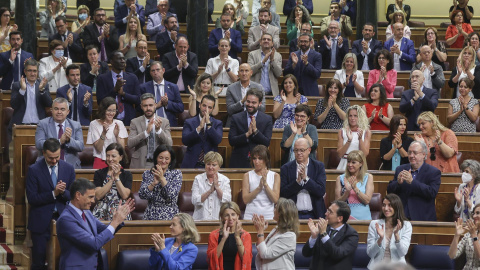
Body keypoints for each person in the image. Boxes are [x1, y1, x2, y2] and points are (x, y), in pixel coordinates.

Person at [57, 178, 134, 269]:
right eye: (90, 197)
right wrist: (115, 222)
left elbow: (104, 230)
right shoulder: (66, 219)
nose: (93, 201)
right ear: (78, 195)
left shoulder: (87, 212)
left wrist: (118, 219)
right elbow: (94, 244)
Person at [26, 138, 75, 270]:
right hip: (40, 221)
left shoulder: (68, 169)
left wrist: (63, 192)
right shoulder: (34, 170)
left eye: (57, 157)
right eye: (50, 158)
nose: (54, 161)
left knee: (63, 259)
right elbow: (32, 198)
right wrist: (54, 194)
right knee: (38, 262)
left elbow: (73, 197)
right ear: (43, 153)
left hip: (63, 220)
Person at [387, 141, 441, 221]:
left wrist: (412, 182)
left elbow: (431, 192)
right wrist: (398, 183)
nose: (411, 156)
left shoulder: (433, 172)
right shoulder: (400, 169)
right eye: (409, 152)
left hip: (422, 218)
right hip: (401, 218)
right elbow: (389, 191)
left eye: (415, 153)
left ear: (424, 154)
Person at [302, 201, 359, 270]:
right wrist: (314, 237)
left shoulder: (351, 234)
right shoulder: (323, 228)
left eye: (330, 212)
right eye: (327, 210)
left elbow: (337, 254)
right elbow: (305, 253)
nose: (326, 213)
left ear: (340, 218)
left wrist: (324, 234)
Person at [280, 138, 326, 219]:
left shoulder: (318, 166)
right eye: (296, 150)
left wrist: (306, 179)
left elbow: (321, 191)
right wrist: (297, 182)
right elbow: (283, 193)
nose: (298, 153)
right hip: (293, 215)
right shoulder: (286, 168)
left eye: (302, 150)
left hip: (314, 214)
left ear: (309, 150)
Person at [35, 98, 84, 169]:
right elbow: (39, 144)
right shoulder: (42, 124)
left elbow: (81, 146)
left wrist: (69, 140)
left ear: (68, 112)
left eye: (62, 109)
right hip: (46, 165)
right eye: (56, 109)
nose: (59, 112)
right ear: (51, 110)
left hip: (70, 166)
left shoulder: (76, 125)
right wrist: (59, 141)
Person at [228, 88, 272, 168]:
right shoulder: (236, 118)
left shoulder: (267, 119)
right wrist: (247, 134)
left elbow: (266, 142)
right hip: (239, 161)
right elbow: (231, 141)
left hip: (260, 162)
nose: (250, 105)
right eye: (248, 101)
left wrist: (256, 131)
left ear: (260, 103)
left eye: (254, 102)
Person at [8, 59, 51, 140]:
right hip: (20, 126)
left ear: (37, 72)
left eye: (34, 71)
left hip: (39, 127)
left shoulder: (43, 85)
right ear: (25, 71)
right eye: (30, 71)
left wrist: (41, 90)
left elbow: (49, 104)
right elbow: (14, 105)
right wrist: (22, 90)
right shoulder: (17, 85)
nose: (32, 73)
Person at [367, 193, 412, 269]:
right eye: (384, 205)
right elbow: (370, 253)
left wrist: (396, 235)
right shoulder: (374, 224)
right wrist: (380, 239)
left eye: (390, 205)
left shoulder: (406, 225)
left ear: (396, 207)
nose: (386, 208)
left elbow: (402, 252)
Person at [128, 93, 173, 169]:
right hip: (140, 163)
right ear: (141, 106)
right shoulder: (135, 122)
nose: (148, 108)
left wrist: (159, 130)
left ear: (155, 105)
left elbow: (169, 143)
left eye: (151, 105)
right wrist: (146, 132)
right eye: (145, 105)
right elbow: (130, 144)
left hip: (159, 163)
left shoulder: (164, 122)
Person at [96, 51, 140, 126]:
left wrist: (123, 94)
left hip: (128, 120)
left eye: (123, 59)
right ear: (112, 61)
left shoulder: (132, 78)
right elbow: (100, 101)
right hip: (108, 120)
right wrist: (114, 90)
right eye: (119, 59)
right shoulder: (102, 78)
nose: (123, 61)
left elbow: (138, 99)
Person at [139, 145, 182, 220]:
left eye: (167, 158)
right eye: (161, 158)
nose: (163, 161)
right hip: (151, 214)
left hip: (169, 215)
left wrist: (162, 178)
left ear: (171, 160)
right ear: (156, 158)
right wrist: (153, 184)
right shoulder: (148, 173)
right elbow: (142, 195)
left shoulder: (176, 174)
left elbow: (171, 196)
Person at [253, 198, 298, 269]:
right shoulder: (276, 229)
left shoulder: (289, 236)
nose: (273, 210)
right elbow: (262, 248)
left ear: (281, 213)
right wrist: (260, 230)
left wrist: (260, 232)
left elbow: (265, 254)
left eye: (275, 208)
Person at [92, 143, 132, 221]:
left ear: (121, 157)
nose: (110, 159)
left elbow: (124, 195)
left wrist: (117, 178)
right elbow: (98, 196)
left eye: (113, 156)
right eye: (108, 156)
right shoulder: (99, 173)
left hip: (120, 210)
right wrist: (111, 180)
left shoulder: (127, 174)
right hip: (101, 210)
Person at [182, 95, 223, 168]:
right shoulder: (189, 122)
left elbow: (217, 140)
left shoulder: (218, 123)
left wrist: (209, 125)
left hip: (210, 165)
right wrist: (199, 128)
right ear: (199, 105)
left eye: (209, 107)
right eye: (204, 106)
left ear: (213, 109)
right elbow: (185, 140)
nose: (206, 109)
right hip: (191, 164)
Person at [207, 201, 252, 269]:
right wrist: (224, 238)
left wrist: (237, 237)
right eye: (227, 215)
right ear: (222, 217)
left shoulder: (245, 235)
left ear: (238, 216)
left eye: (233, 214)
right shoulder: (214, 235)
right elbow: (212, 258)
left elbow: (246, 259)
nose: (230, 218)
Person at [86, 97, 128, 169]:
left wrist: (117, 135)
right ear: (103, 110)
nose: (111, 113)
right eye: (109, 110)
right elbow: (99, 149)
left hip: (115, 161)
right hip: (100, 160)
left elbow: (122, 148)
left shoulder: (119, 123)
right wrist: (103, 133)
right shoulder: (94, 124)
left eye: (114, 110)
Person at [139, 61, 184, 127]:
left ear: (163, 70)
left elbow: (180, 107)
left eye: (157, 70)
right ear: (150, 73)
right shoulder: (144, 88)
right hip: (150, 125)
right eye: (153, 71)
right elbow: (139, 108)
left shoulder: (173, 87)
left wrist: (167, 103)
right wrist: (156, 106)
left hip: (169, 125)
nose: (155, 73)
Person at [242, 145, 280, 220]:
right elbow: (245, 200)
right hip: (250, 216)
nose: (256, 161)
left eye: (260, 158)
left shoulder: (275, 176)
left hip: (269, 216)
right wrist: (259, 188)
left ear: (266, 160)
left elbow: (275, 200)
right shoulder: (247, 175)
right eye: (254, 158)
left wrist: (265, 185)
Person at [192, 153, 232, 221]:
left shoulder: (225, 180)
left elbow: (227, 201)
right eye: (208, 164)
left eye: (214, 165)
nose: (210, 167)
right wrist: (210, 191)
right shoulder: (198, 179)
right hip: (200, 220)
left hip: (219, 220)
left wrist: (217, 188)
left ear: (219, 166)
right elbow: (194, 200)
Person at [335, 150, 373, 220]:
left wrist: (355, 188)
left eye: (353, 162)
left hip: (363, 217)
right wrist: (347, 192)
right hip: (346, 216)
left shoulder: (368, 177)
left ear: (361, 163)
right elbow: (337, 202)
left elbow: (367, 200)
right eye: (348, 162)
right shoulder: (340, 178)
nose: (350, 165)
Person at [337, 105, 372, 170]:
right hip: (345, 163)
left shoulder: (366, 132)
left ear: (360, 117)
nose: (352, 118)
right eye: (350, 116)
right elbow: (340, 154)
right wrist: (349, 140)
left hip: (359, 165)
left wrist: (360, 139)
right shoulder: (342, 131)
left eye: (355, 116)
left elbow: (364, 154)